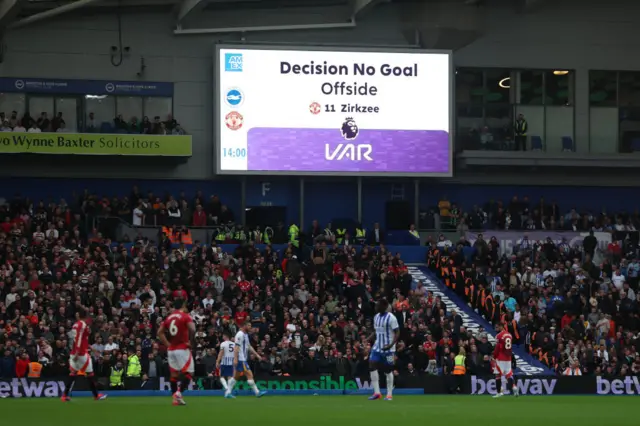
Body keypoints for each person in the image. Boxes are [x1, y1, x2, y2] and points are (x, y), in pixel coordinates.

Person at [60, 308, 107, 402]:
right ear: (86, 316)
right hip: (81, 354)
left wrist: (90, 347)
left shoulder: (75, 325)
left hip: (74, 353)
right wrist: (78, 351)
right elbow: (79, 339)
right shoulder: (82, 324)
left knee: (72, 374)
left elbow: (80, 339)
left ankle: (64, 395)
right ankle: (96, 395)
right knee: (90, 374)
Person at [157, 299, 196, 406]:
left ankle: (175, 399)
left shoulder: (169, 318)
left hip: (171, 350)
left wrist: (168, 344)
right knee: (189, 373)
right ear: (183, 306)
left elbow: (159, 332)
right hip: (182, 349)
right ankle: (178, 393)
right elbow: (192, 330)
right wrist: (190, 342)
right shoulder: (185, 316)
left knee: (174, 375)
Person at [224, 320, 267, 399]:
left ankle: (228, 393)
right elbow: (236, 348)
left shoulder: (245, 334)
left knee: (235, 377)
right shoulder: (240, 335)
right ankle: (257, 392)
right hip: (241, 359)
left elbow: (249, 346)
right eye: (249, 325)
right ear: (244, 326)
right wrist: (236, 359)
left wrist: (257, 355)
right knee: (249, 374)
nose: (250, 327)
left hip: (242, 358)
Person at [368, 299, 399, 401]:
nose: (376, 307)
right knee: (372, 365)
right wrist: (368, 338)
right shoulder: (376, 317)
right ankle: (377, 393)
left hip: (389, 349)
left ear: (384, 307)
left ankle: (389, 394)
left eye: (378, 305)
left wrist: (390, 345)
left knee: (388, 370)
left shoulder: (391, 318)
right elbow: (376, 331)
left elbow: (397, 332)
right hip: (377, 347)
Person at [492, 322, 519, 398]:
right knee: (508, 375)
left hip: (500, 358)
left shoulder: (499, 336)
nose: (496, 329)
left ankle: (498, 393)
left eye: (497, 327)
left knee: (498, 375)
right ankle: (514, 387)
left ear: (501, 327)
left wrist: (494, 356)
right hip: (508, 358)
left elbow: (497, 348)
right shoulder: (509, 335)